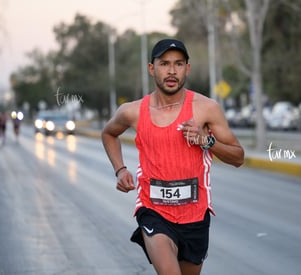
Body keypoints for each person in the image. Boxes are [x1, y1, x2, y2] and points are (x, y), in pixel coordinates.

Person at [102, 38, 244, 275]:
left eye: (178, 64)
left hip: (195, 215)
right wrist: (120, 169)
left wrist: (206, 141)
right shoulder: (133, 111)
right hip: (153, 211)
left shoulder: (206, 108)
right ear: (151, 68)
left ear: (187, 68)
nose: (171, 71)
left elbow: (238, 157)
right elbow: (109, 133)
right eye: (164, 63)